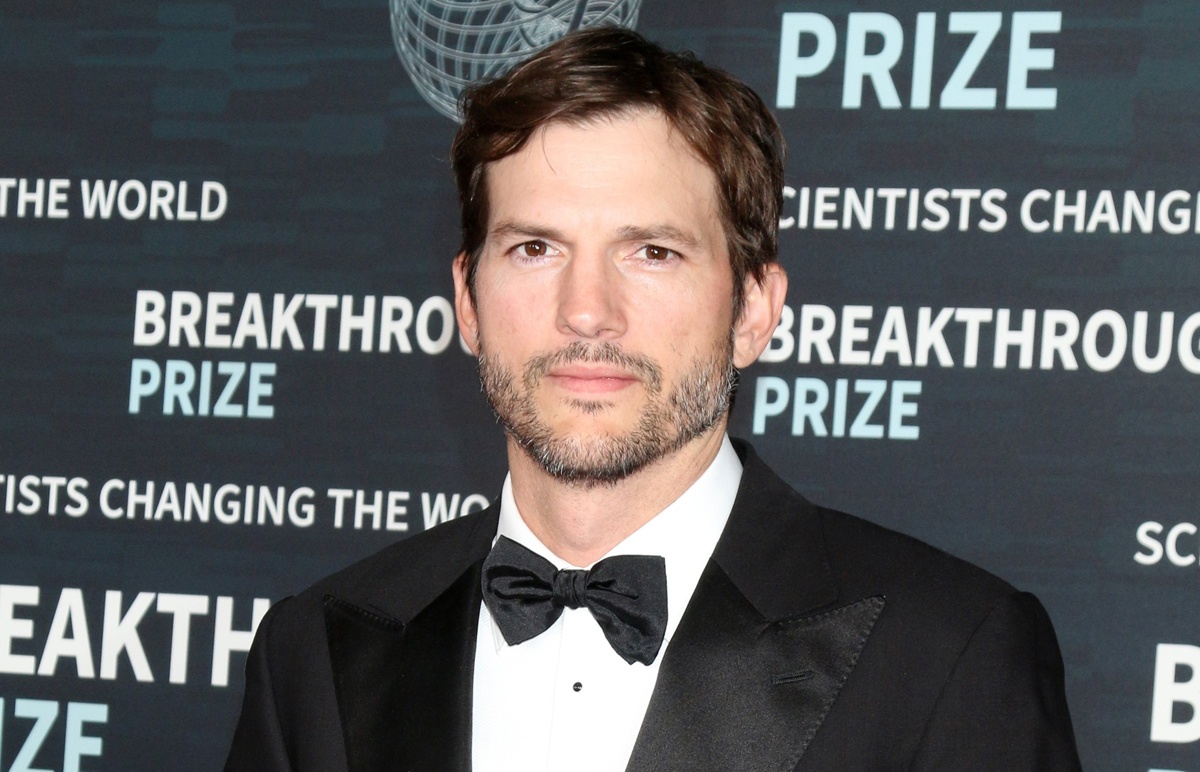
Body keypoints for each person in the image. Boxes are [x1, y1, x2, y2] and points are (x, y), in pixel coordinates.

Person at [224, 27, 1082, 771]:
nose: (586, 310)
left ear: (753, 311)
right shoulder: (316, 652)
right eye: (534, 249)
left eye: (652, 253)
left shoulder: (948, 657)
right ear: (467, 301)